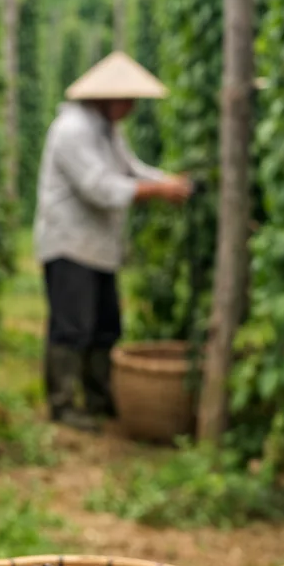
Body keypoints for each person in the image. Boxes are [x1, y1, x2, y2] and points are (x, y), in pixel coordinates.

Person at [34, 51, 192, 432]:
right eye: (128, 100)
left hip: (98, 247)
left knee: (105, 325)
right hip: (70, 244)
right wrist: (158, 192)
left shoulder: (107, 129)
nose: (132, 108)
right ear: (107, 98)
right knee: (72, 326)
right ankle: (64, 403)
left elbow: (130, 169)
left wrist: (167, 180)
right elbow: (99, 188)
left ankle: (99, 396)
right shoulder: (72, 129)